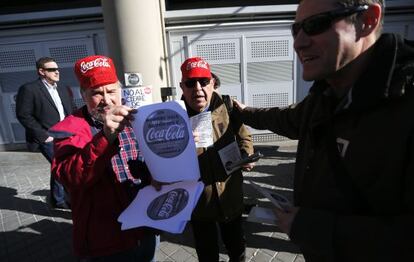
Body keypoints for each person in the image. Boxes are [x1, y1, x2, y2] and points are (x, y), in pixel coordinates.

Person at [233, 0, 414, 261]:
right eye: (295, 30)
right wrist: (243, 111)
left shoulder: (405, 104)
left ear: (368, 20)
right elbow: (285, 119)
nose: (299, 43)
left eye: (315, 25)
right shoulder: (324, 95)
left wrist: (311, 228)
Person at [50, 55, 158, 261]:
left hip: (145, 226)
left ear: (120, 91)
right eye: (97, 93)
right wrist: (105, 137)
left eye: (111, 91)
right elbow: (70, 177)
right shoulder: (69, 129)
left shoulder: (135, 117)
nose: (106, 100)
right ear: (83, 95)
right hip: (106, 239)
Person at [180, 56, 255, 262]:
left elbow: (244, 136)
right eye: (190, 83)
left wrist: (246, 154)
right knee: (207, 256)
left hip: (230, 196)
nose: (198, 89)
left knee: (237, 251)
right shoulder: (174, 117)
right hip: (199, 204)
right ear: (182, 87)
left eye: (203, 82)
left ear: (212, 82)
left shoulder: (229, 107)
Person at [16, 56, 73, 209]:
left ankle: (57, 198)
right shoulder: (29, 89)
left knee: (59, 166)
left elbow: (71, 109)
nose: (57, 72)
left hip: (66, 134)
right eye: (52, 69)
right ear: (41, 71)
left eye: (57, 69)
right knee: (62, 165)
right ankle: (65, 200)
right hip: (48, 137)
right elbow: (23, 115)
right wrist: (44, 136)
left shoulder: (63, 88)